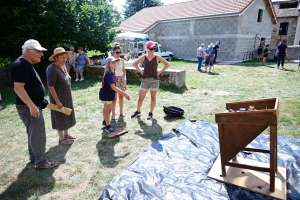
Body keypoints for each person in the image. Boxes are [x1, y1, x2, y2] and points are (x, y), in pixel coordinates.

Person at [11, 39, 59, 169]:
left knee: (32, 134)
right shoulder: (21, 65)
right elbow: (18, 88)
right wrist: (32, 106)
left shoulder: (25, 64)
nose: (41, 54)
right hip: (29, 108)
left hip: (29, 107)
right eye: (38, 51)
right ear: (28, 51)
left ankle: (34, 158)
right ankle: (41, 162)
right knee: (38, 135)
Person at [131, 41, 170, 120]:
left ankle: (151, 113)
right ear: (147, 49)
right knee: (141, 97)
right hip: (145, 80)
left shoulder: (157, 57)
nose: (153, 50)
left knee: (153, 98)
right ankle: (138, 111)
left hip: (154, 80)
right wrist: (141, 71)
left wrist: (159, 72)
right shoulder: (144, 57)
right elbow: (135, 64)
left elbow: (167, 64)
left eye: (154, 48)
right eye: (152, 48)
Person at [46, 47, 77, 145]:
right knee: (59, 117)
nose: (65, 59)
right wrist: (57, 101)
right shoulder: (52, 69)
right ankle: (62, 139)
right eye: (62, 57)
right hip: (58, 98)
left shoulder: (63, 67)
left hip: (66, 97)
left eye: (66, 57)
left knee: (66, 115)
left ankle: (66, 134)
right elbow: (51, 87)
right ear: (56, 58)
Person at [99, 57, 130, 133]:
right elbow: (113, 87)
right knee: (108, 110)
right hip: (107, 94)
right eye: (113, 62)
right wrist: (124, 93)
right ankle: (108, 126)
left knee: (105, 108)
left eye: (115, 62)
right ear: (108, 64)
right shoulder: (109, 74)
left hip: (105, 93)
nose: (115, 64)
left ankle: (105, 121)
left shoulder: (111, 72)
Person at [111, 43, 127, 120]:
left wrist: (124, 79)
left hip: (121, 79)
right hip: (114, 79)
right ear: (113, 52)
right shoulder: (111, 60)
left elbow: (124, 70)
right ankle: (113, 114)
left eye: (120, 52)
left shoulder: (122, 60)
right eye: (117, 52)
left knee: (121, 97)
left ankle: (121, 112)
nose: (119, 54)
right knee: (114, 98)